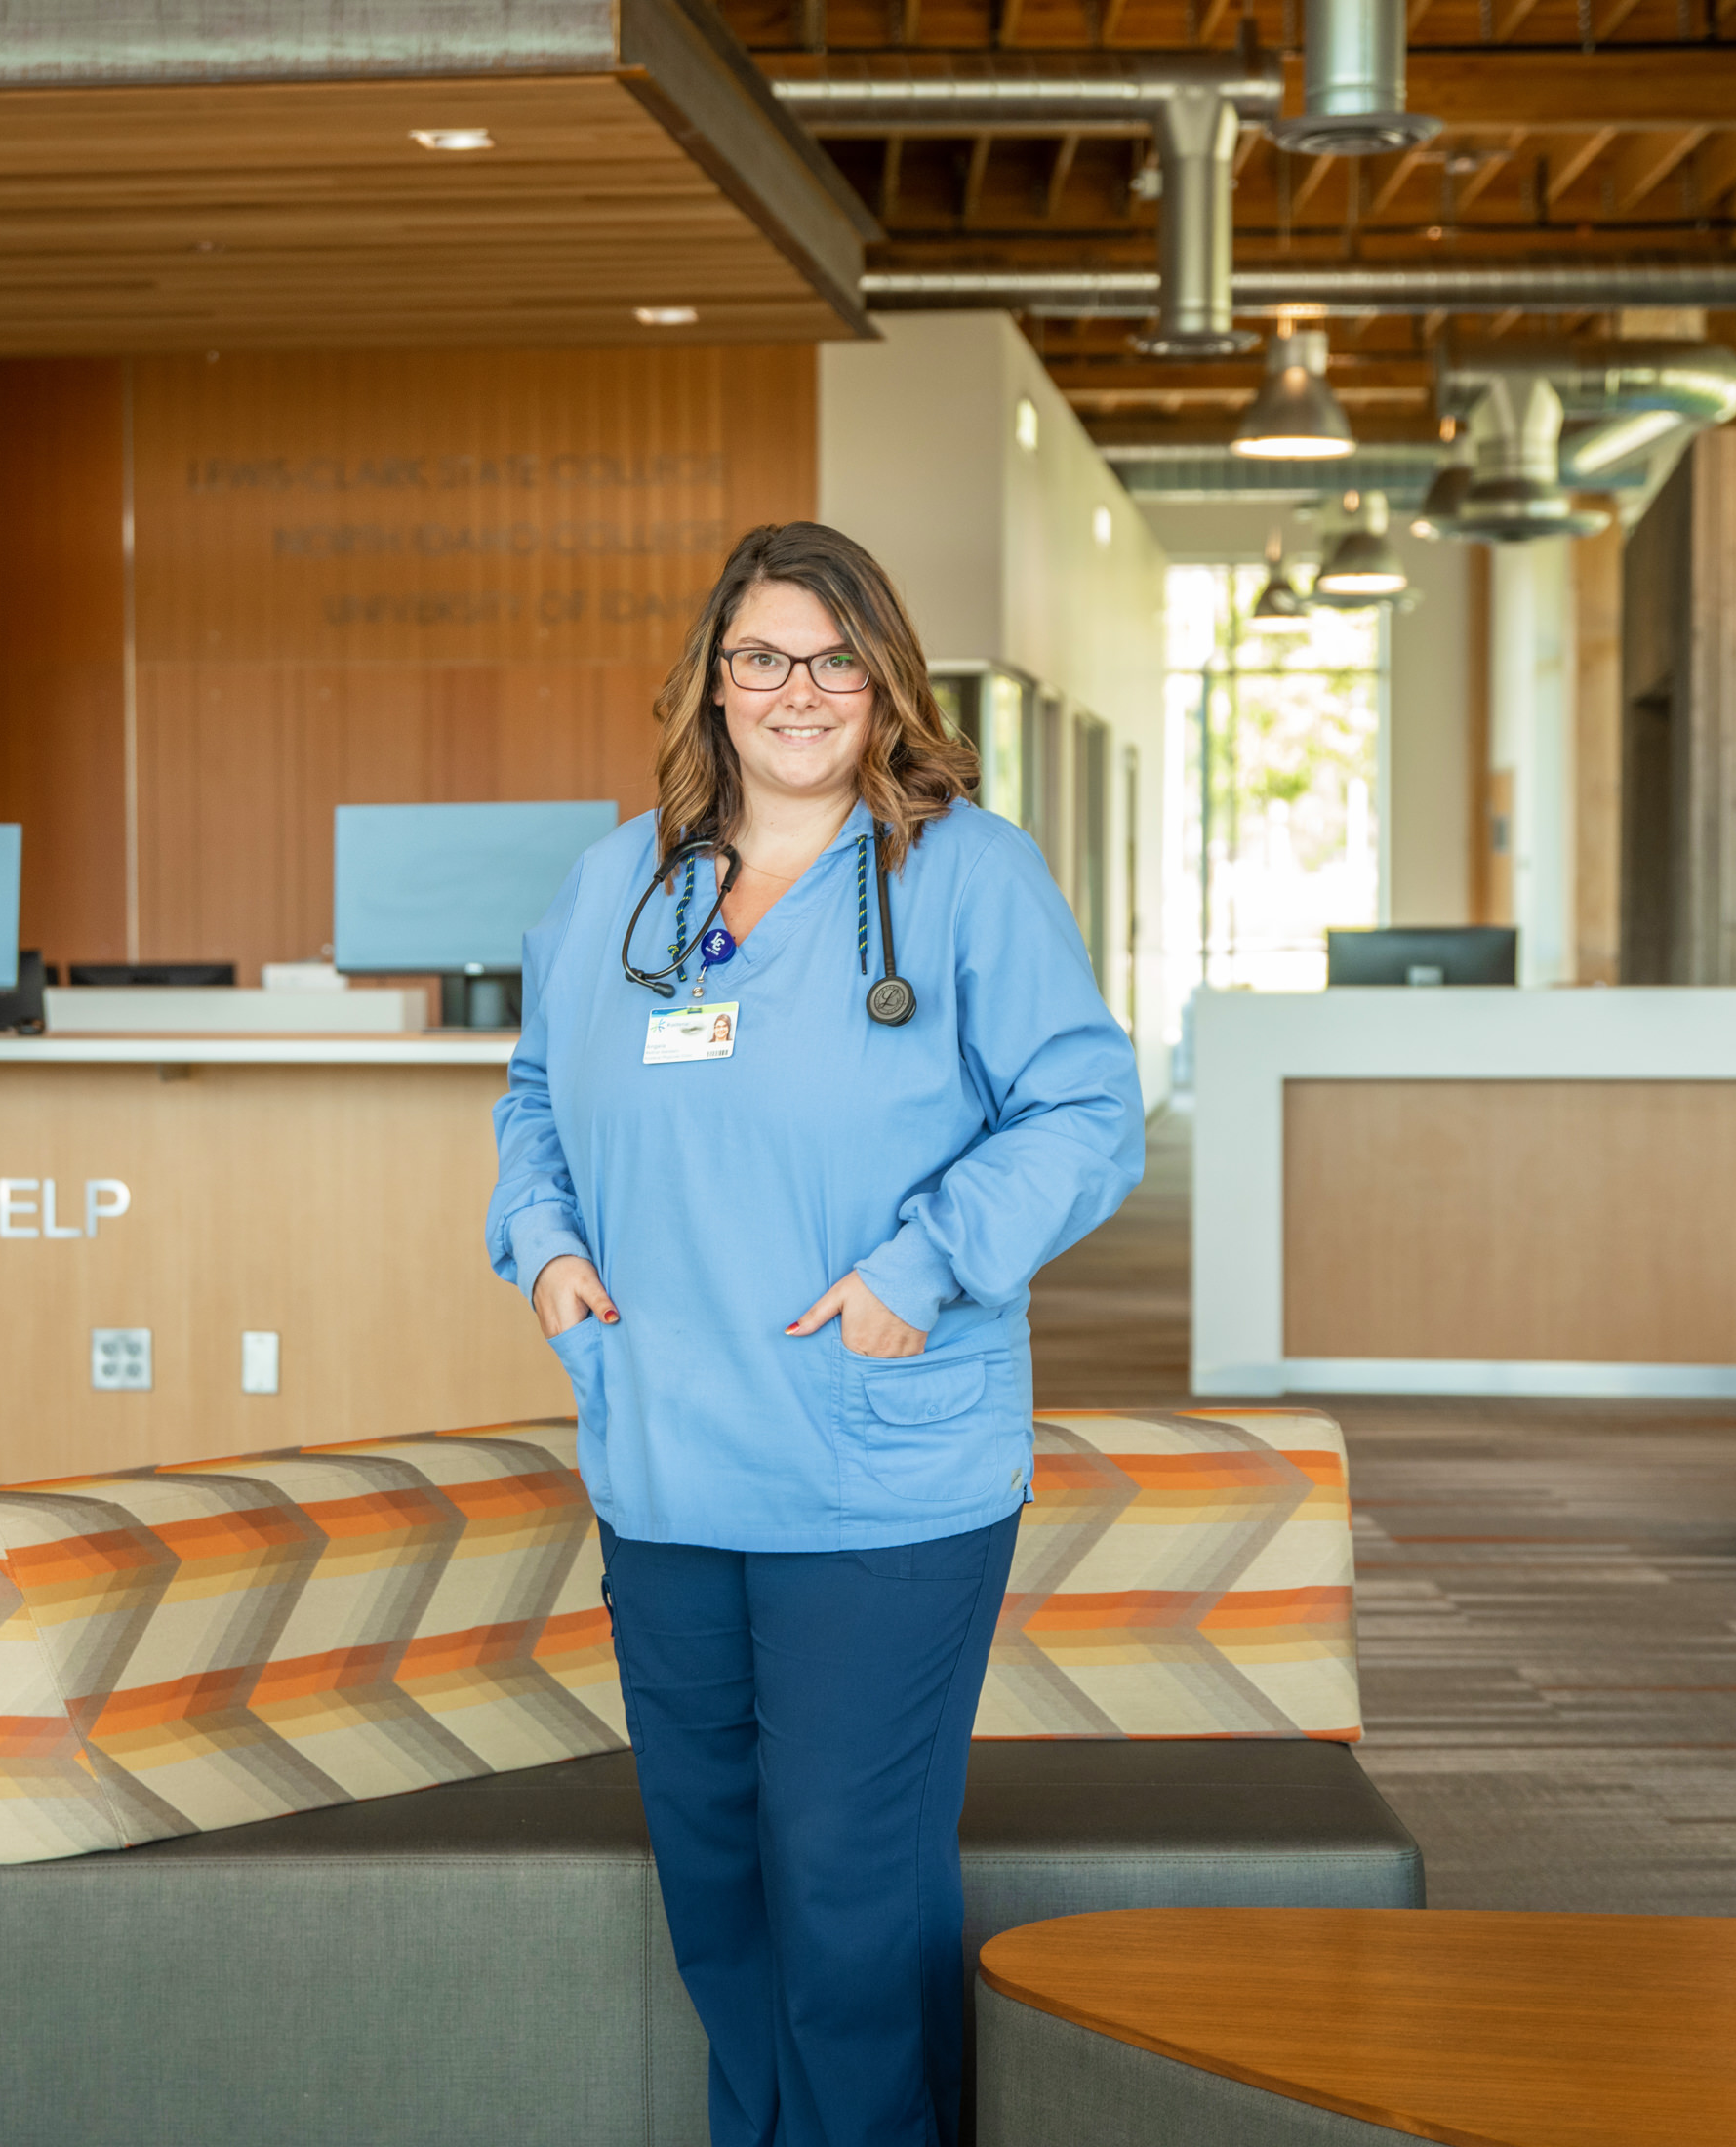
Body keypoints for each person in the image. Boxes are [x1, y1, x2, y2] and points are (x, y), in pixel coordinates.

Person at [486, 521, 1145, 2146]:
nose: (799, 690)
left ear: (884, 679)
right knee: (717, 1885)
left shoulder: (964, 872)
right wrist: (548, 1250)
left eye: (834, 658)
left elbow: (1084, 1112)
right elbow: (533, 1102)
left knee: (852, 1892)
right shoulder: (612, 886)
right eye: (764, 656)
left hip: (878, 1471)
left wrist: (920, 1273)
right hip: (664, 1455)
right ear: (714, 680)